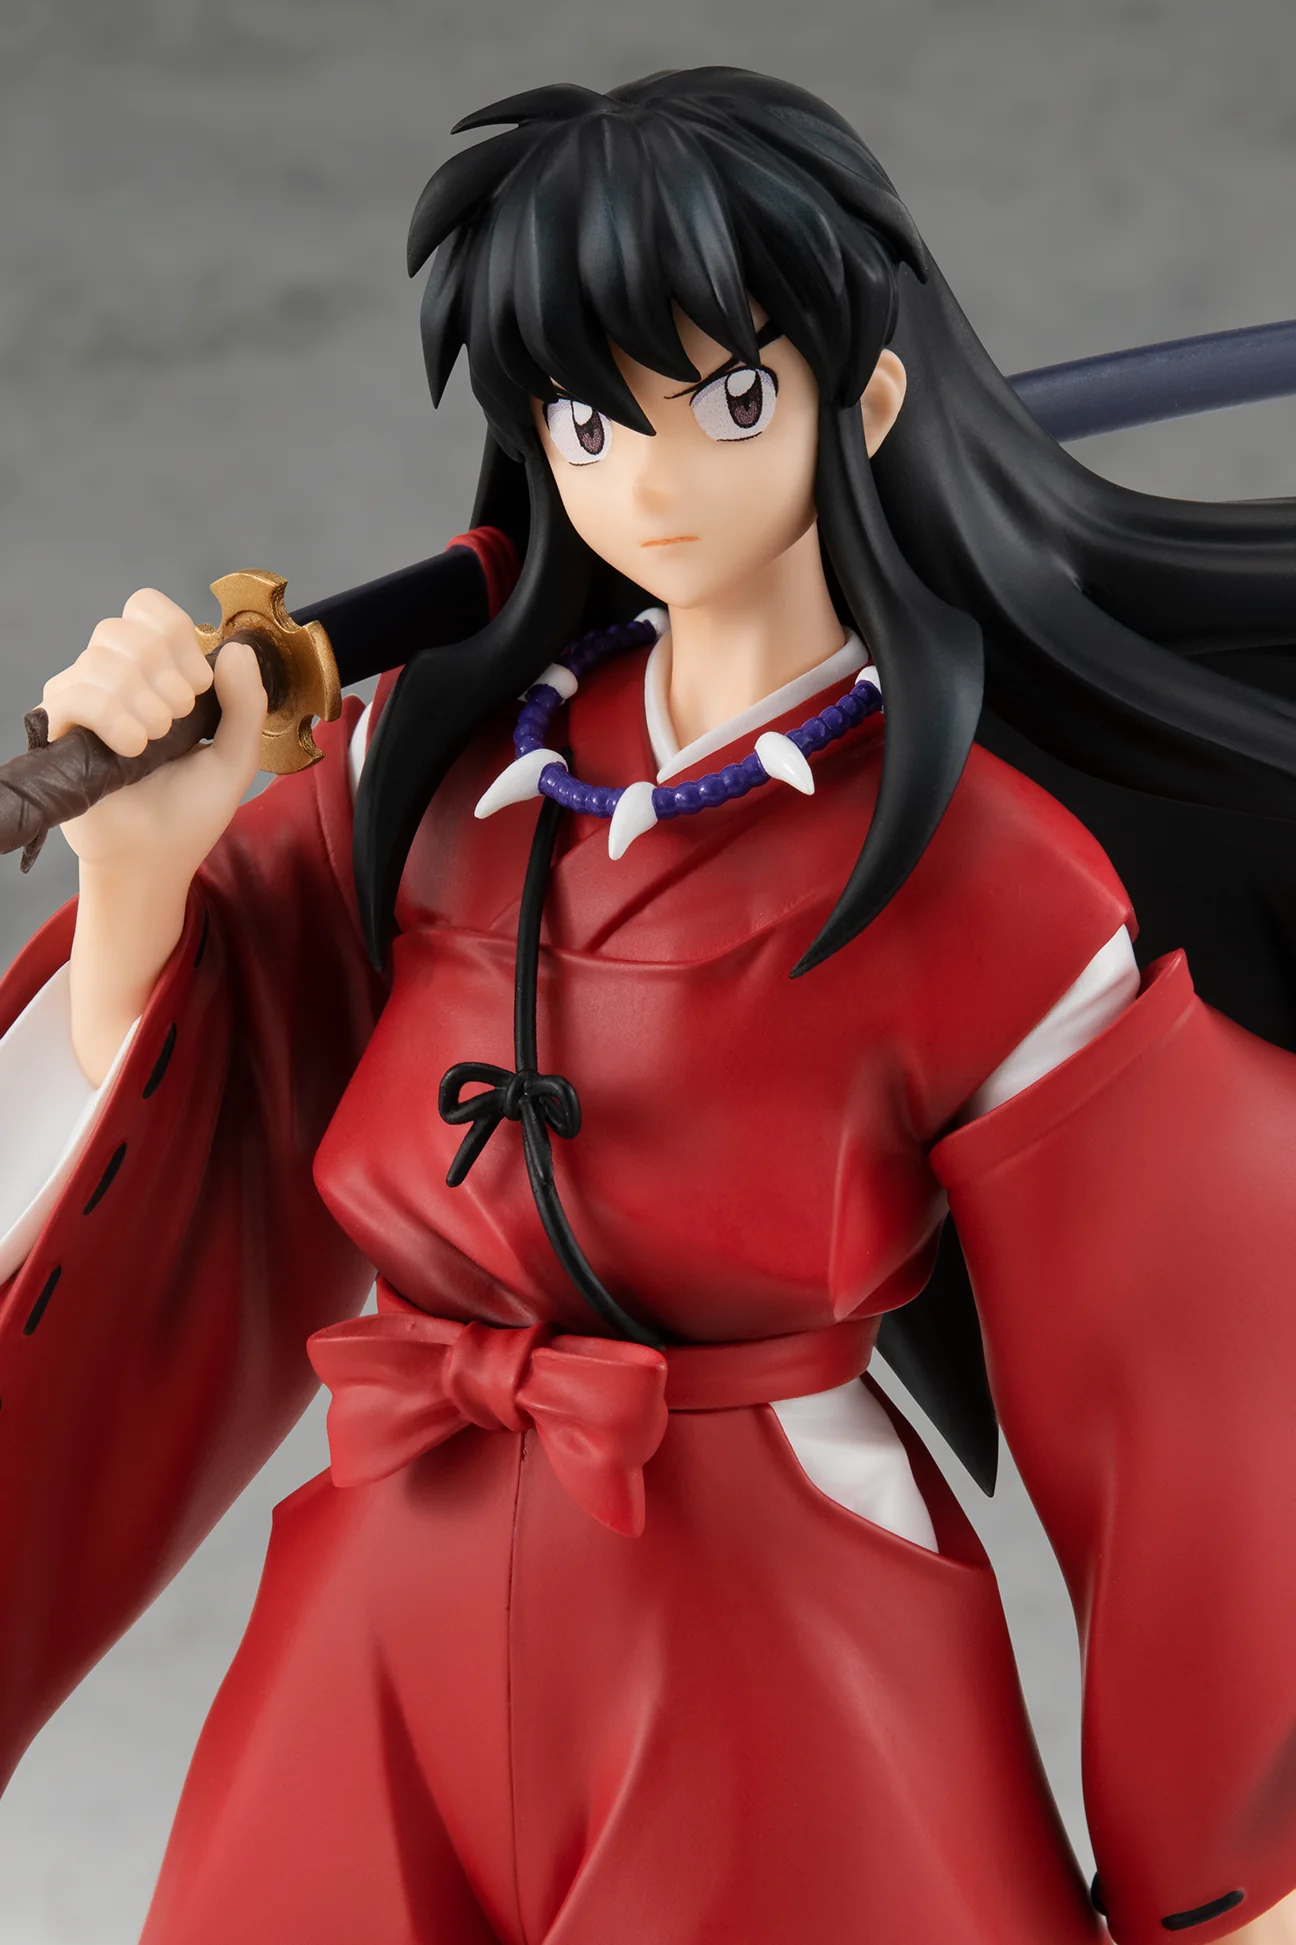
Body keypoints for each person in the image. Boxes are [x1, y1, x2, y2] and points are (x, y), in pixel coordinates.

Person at [1, 66, 1295, 1945]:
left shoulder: (983, 869)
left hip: (761, 1616)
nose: (651, 482)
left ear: (866, 400)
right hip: (385, 1590)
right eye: (591, 418)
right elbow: (191, 1126)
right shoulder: (422, 772)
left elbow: (1180, 1379)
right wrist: (144, 861)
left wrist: (1236, 1872)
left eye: (733, 400)